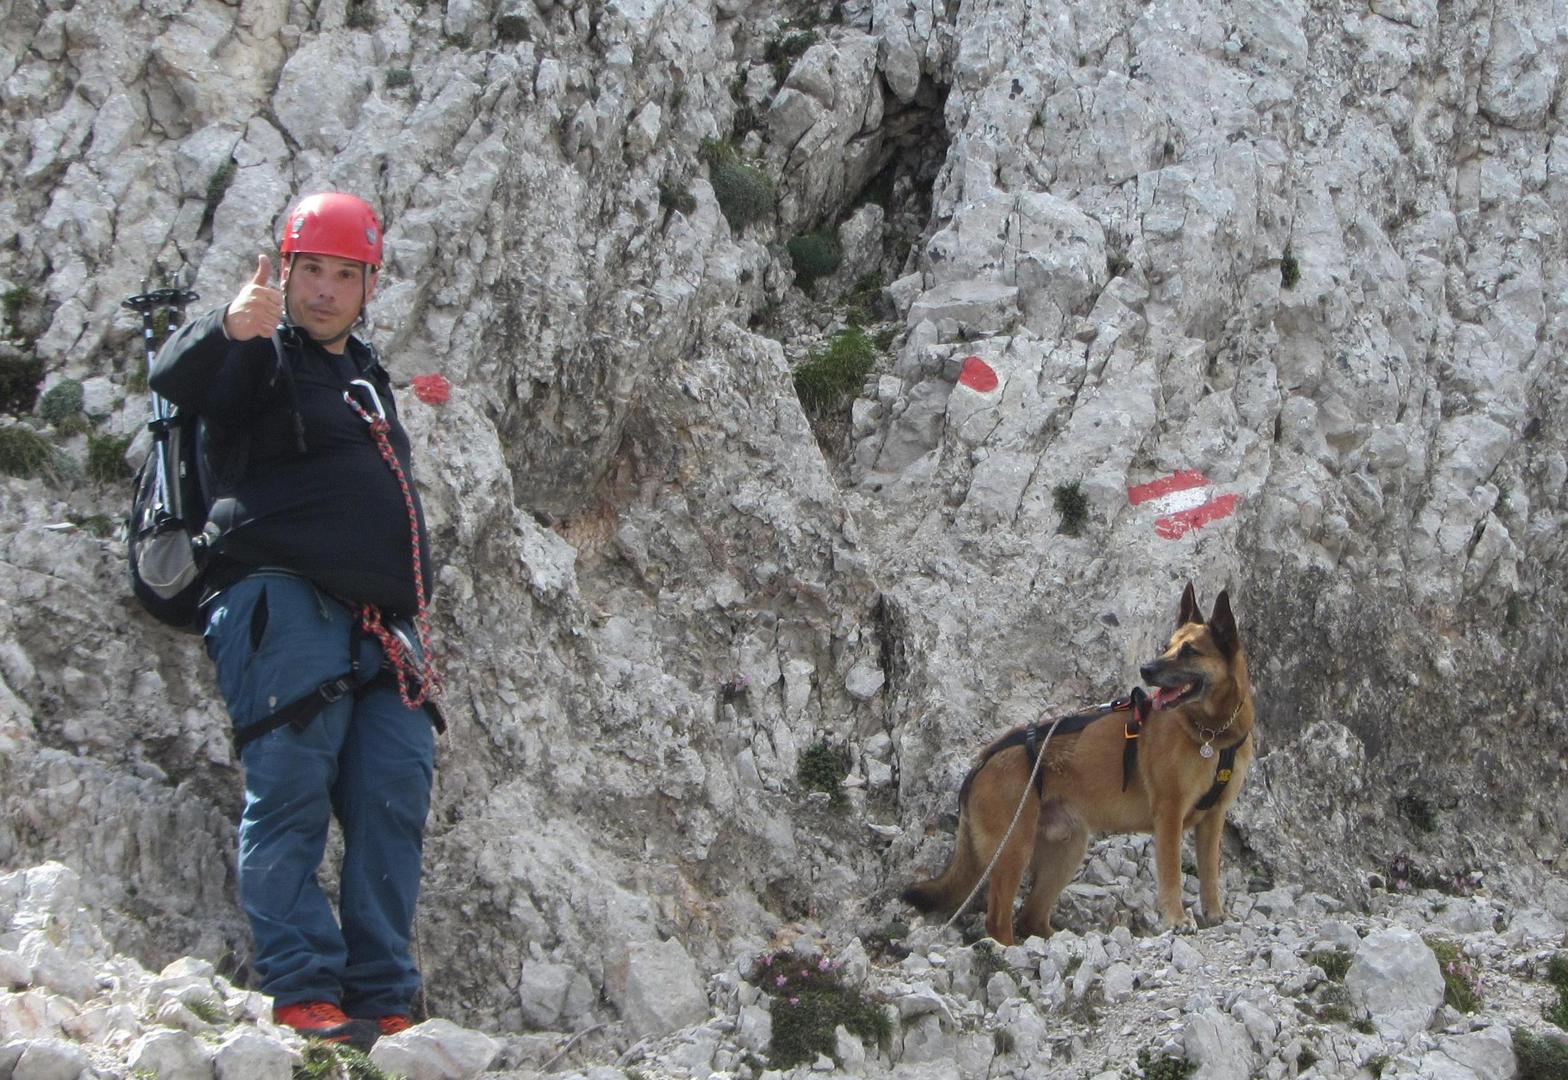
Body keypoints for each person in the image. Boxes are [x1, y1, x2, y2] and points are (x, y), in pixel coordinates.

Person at [150, 192, 444, 1051]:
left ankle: (385, 995)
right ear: (285, 272)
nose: (323, 290)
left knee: (393, 794)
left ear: (369, 285)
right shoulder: (261, 355)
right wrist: (227, 327)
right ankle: (304, 989)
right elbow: (178, 379)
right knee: (290, 791)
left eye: (344, 275)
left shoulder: (366, 376)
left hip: (382, 625)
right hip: (282, 603)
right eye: (310, 269)